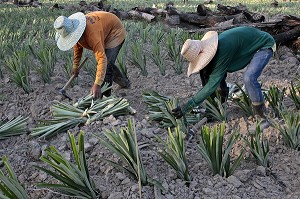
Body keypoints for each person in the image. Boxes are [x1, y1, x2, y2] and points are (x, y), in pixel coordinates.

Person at [172, 26, 276, 125]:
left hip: (263, 45)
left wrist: (187, 107)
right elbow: (210, 81)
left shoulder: (223, 49)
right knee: (207, 73)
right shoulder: (214, 50)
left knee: (249, 78)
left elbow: (212, 84)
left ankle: (262, 117)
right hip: (247, 45)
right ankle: (215, 107)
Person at [53, 11, 130, 99]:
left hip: (115, 32)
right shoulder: (76, 31)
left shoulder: (92, 34)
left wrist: (97, 84)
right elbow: (77, 48)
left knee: (107, 64)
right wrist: (75, 66)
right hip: (103, 30)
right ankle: (124, 83)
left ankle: (105, 98)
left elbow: (102, 58)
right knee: (108, 64)